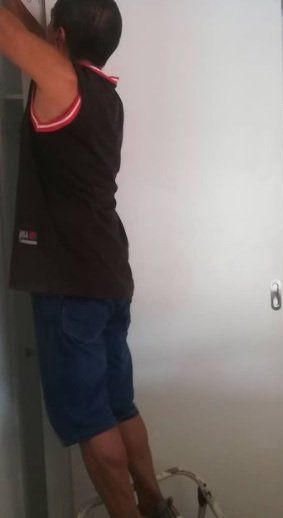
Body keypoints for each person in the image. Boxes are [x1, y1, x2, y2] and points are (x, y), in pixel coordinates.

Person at [0, 1, 179, 517]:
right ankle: (155, 507)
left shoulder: (62, 82)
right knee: (120, 404)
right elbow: (29, 34)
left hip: (70, 282)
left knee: (90, 419)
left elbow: (12, 38)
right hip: (108, 275)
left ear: (59, 37)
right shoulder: (102, 93)